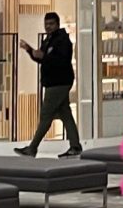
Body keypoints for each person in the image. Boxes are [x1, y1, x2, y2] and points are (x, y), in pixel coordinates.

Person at [15, 12, 82, 158]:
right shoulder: (48, 40)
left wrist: (44, 56)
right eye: (46, 24)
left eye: (51, 24)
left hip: (59, 83)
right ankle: (75, 146)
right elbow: (41, 58)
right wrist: (29, 50)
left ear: (57, 24)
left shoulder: (63, 40)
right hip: (53, 82)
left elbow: (60, 60)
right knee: (65, 114)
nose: (48, 27)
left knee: (46, 115)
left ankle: (32, 148)